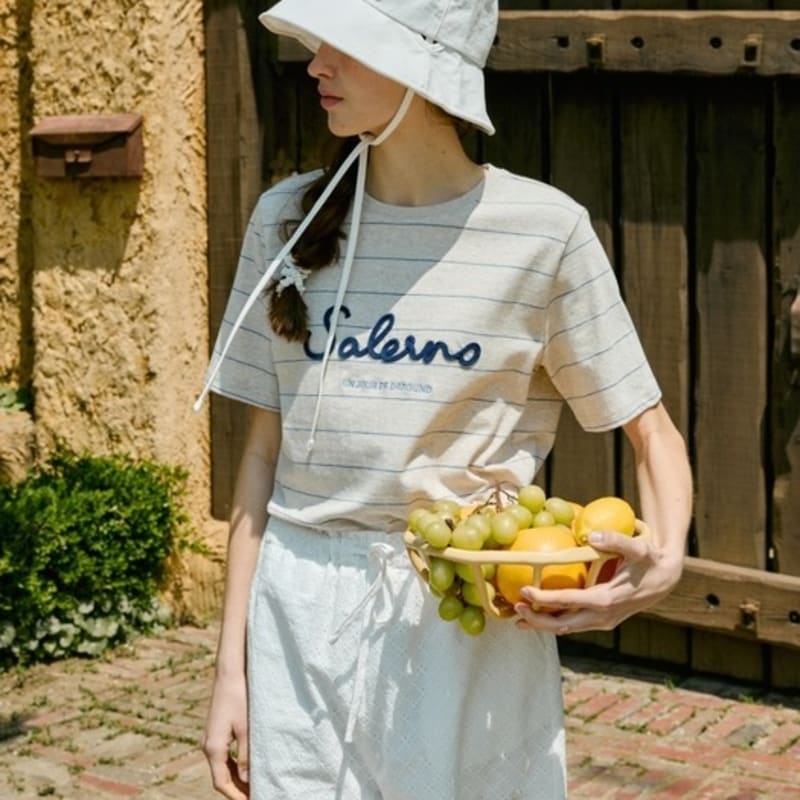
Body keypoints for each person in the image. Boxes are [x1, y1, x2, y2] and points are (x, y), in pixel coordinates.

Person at [197, 1, 693, 798]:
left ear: (423, 69)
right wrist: (233, 670)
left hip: (463, 613)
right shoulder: (286, 220)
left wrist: (660, 567)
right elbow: (261, 458)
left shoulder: (542, 231)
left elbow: (650, 429)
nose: (316, 64)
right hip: (297, 612)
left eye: (346, 46)